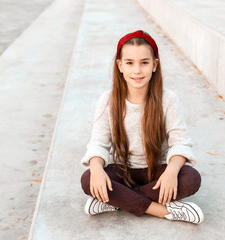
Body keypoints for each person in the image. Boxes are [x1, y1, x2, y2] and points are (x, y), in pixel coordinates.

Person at [80, 30, 203, 224]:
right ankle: (162, 211)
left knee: (191, 178)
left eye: (144, 63)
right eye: (129, 63)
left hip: (157, 171)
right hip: (123, 170)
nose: (137, 70)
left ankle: (117, 200)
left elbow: (180, 142)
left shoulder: (168, 99)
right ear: (120, 66)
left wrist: (171, 172)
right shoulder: (108, 100)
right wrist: (96, 169)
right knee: (88, 179)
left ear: (154, 65)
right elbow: (98, 143)